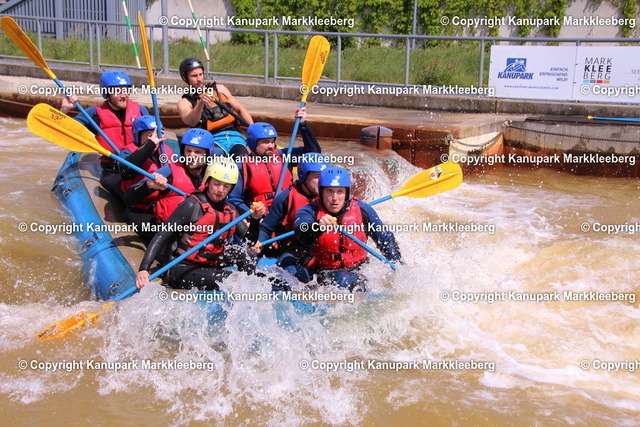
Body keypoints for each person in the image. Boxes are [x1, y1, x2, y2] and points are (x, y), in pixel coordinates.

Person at [135, 159, 266, 291]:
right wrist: (144, 269)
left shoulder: (230, 210)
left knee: (247, 254)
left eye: (226, 186)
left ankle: (250, 291)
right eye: (216, 184)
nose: (220, 190)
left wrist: (255, 219)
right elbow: (162, 235)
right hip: (182, 267)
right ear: (208, 181)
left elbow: (250, 241)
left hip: (211, 262)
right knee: (232, 279)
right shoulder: (192, 205)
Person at [292, 166, 402, 292]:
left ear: (346, 193)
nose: (335, 198)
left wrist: (398, 265)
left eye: (340, 192)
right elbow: (301, 233)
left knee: (350, 281)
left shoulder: (363, 209)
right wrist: (317, 226)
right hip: (325, 271)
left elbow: (385, 239)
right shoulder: (310, 210)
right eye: (329, 191)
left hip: (360, 268)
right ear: (321, 193)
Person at [60, 70, 150, 199]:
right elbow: (64, 131)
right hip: (113, 171)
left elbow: (154, 137)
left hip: (139, 165)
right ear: (106, 92)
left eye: (126, 90)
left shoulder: (141, 111)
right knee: (133, 196)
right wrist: (64, 110)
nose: (124, 95)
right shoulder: (93, 114)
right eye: (118, 91)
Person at [227, 108, 321, 215]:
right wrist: (252, 214)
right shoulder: (242, 166)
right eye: (266, 142)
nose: (271, 146)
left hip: (288, 211)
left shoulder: (284, 156)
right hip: (263, 216)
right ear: (253, 143)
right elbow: (234, 200)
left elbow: (314, 153)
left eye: (272, 141)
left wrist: (303, 125)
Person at [124, 128, 212, 227]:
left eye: (197, 152)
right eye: (188, 151)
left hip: (194, 227)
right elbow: (129, 198)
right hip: (165, 227)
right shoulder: (169, 171)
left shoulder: (212, 174)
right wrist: (148, 185)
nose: (191, 155)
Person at [252, 152, 331, 259]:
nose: (322, 181)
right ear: (304, 176)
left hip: (324, 248)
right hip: (295, 247)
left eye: (325, 176)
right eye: (318, 176)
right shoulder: (285, 198)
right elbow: (266, 228)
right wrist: (259, 242)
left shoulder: (333, 197)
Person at [176, 57, 253, 157]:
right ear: (186, 78)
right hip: (211, 139)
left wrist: (253, 131)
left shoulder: (220, 89)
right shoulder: (184, 102)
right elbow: (191, 122)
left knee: (242, 159)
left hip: (234, 136)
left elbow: (240, 109)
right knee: (215, 159)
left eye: (200, 74)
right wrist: (200, 104)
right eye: (194, 76)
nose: (199, 79)